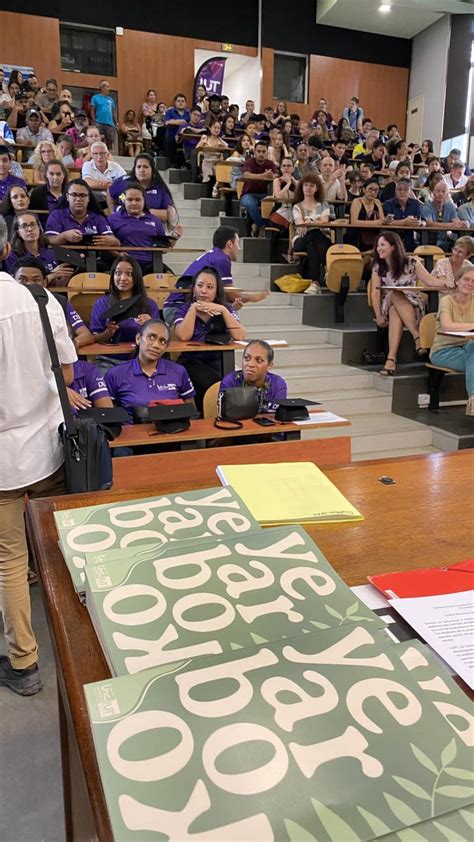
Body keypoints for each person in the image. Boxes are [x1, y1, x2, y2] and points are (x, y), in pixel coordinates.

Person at [0, 215, 77, 696]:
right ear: (7, 248)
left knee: (10, 561)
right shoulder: (39, 297)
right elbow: (68, 375)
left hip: (4, 460)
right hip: (50, 447)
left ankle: (25, 664)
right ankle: (80, 640)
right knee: (58, 549)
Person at [369, 231, 447, 375]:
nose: (378, 248)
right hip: (389, 301)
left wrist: (449, 283)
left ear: (393, 247)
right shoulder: (377, 266)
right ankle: (416, 336)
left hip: (413, 305)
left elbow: (430, 281)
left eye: (382, 245)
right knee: (394, 292)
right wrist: (378, 315)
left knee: (395, 311)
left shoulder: (411, 262)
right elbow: (375, 292)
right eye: (377, 245)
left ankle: (391, 359)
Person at [173, 268, 246, 411]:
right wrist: (193, 309)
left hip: (220, 360)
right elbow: (183, 336)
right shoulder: (184, 309)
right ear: (193, 288)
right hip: (191, 361)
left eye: (210, 287)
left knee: (236, 383)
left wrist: (223, 311)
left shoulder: (226, 308)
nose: (204, 291)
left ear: (217, 290)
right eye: (200, 285)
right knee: (214, 383)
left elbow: (240, 336)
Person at [105, 320, 195, 423]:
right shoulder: (115, 374)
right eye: (151, 337)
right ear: (138, 339)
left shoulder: (179, 371)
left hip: (173, 434)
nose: (156, 345)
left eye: (162, 341)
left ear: (166, 347)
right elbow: (109, 417)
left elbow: (191, 413)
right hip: (133, 435)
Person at [89, 256, 160, 366]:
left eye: (129, 274)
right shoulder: (102, 303)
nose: (122, 278)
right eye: (118, 273)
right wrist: (108, 333)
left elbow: (159, 337)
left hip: (142, 360)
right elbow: (94, 338)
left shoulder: (149, 304)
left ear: (137, 277)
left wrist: (150, 325)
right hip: (108, 360)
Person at [13, 256, 95, 348]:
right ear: (13, 281)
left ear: (44, 283)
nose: (29, 285)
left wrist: (72, 344)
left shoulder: (59, 301)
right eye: (22, 279)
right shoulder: (6, 304)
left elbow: (86, 335)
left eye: (36, 280)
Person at [430, 264, 474, 416]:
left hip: (467, 346)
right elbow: (447, 326)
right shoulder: (447, 300)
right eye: (466, 279)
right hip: (443, 350)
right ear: (457, 281)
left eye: (473, 281)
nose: (470, 283)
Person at [108, 183, 172, 273]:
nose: (134, 203)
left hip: (151, 263)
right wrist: (118, 255)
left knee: (173, 281)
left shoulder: (155, 220)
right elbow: (105, 244)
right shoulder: (112, 219)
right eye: (130, 200)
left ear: (144, 201)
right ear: (124, 201)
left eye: (138, 200)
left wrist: (175, 239)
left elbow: (163, 249)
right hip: (125, 262)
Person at [45, 178, 119, 249]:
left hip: (94, 259)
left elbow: (115, 241)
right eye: (74, 195)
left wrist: (112, 241)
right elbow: (49, 240)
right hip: (64, 258)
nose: (78, 199)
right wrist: (64, 236)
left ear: (88, 198)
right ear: (67, 197)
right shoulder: (57, 215)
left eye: (82, 195)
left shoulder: (97, 217)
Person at [5, 211, 73, 286]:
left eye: (33, 224)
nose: (30, 229)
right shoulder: (11, 255)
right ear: (18, 232)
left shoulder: (51, 254)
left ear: (39, 228)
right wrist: (51, 276)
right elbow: (15, 284)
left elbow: (55, 287)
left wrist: (65, 276)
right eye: (24, 226)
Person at [219, 340, 287, 413]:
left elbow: (278, 418)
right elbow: (225, 417)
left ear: (269, 365)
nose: (250, 364)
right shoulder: (230, 382)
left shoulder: (278, 384)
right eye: (247, 358)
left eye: (259, 360)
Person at [107, 152, 175, 222]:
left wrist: (143, 211)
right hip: (123, 225)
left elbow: (169, 214)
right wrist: (113, 214)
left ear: (152, 170)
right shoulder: (124, 182)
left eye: (145, 167)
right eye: (139, 167)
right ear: (135, 169)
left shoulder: (159, 188)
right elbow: (110, 192)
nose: (142, 170)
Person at [292, 173, 330, 293]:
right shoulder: (297, 207)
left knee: (313, 244)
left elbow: (325, 220)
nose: (308, 188)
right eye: (306, 185)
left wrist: (310, 221)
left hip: (316, 239)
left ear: (316, 188)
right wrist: (313, 222)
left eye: (312, 185)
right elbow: (299, 224)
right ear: (302, 187)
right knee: (315, 234)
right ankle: (327, 268)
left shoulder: (323, 204)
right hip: (301, 238)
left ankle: (315, 283)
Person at [240, 141, 278, 237]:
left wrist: (272, 175)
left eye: (264, 151)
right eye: (259, 151)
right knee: (250, 203)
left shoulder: (270, 163)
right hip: (249, 194)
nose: (261, 154)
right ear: (255, 152)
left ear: (267, 153)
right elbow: (246, 174)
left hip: (265, 194)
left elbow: (276, 175)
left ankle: (265, 227)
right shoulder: (249, 163)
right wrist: (263, 176)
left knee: (276, 202)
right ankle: (261, 226)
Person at [421, 180, 468, 250]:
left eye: (443, 191)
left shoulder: (450, 206)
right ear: (433, 193)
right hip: (429, 241)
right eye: (438, 191)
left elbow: (456, 221)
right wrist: (450, 225)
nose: (440, 194)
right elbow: (430, 224)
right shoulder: (427, 206)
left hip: (445, 241)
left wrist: (464, 224)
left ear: (447, 194)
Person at [383, 179, 423, 252]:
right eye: (399, 189)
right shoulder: (388, 204)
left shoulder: (415, 204)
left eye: (405, 189)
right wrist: (404, 222)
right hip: (392, 241)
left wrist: (420, 223)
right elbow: (387, 222)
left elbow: (421, 220)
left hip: (409, 242)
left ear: (410, 191)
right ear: (395, 190)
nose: (402, 192)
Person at [346, 178, 384, 250]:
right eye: (370, 189)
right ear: (364, 190)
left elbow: (381, 220)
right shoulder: (357, 201)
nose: (373, 192)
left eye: (376, 190)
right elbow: (354, 222)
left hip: (373, 235)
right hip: (356, 236)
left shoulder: (377, 202)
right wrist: (375, 223)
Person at [195, 119, 228, 184]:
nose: (216, 130)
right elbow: (197, 148)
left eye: (218, 128)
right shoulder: (205, 138)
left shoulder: (221, 141)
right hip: (207, 161)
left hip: (218, 162)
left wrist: (223, 147)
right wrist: (202, 143)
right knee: (208, 172)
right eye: (215, 128)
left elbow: (227, 151)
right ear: (210, 128)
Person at [90, 80, 117, 150]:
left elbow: (114, 112)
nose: (109, 88)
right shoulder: (95, 97)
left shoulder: (111, 99)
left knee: (110, 141)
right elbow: (92, 110)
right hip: (99, 122)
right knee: (99, 140)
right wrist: (94, 121)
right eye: (107, 86)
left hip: (110, 124)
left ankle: (109, 156)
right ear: (102, 87)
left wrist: (116, 122)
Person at [164, 94, 190, 166]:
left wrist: (174, 121)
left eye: (182, 101)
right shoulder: (170, 111)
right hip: (172, 134)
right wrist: (182, 121)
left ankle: (187, 163)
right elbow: (167, 122)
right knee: (169, 139)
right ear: (175, 103)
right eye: (179, 101)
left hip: (185, 135)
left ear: (185, 103)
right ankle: (173, 163)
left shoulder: (189, 113)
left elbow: (190, 123)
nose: (181, 103)